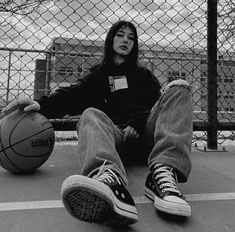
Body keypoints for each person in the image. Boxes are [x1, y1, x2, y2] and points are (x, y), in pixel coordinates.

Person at [2, 20, 193, 226]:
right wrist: (40, 104)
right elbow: (71, 95)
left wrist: (137, 122)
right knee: (90, 113)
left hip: (146, 137)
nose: (126, 41)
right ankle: (108, 179)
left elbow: (157, 106)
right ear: (111, 39)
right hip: (114, 139)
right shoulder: (98, 75)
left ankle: (163, 175)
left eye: (131, 38)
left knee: (179, 87)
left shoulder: (143, 75)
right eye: (120, 35)